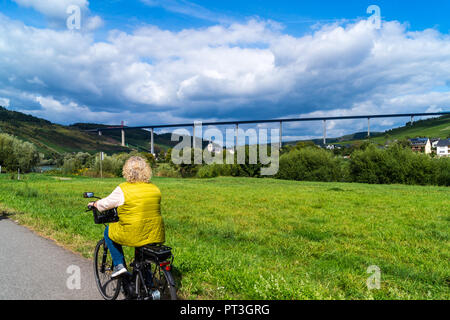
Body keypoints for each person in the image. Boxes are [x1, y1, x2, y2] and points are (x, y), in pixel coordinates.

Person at [88, 156, 165, 278]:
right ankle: (147, 282)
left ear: (127, 171)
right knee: (143, 253)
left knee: (108, 231)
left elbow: (106, 204)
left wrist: (95, 204)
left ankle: (119, 265)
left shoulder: (123, 189)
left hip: (133, 232)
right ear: (146, 171)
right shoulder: (154, 188)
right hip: (154, 232)